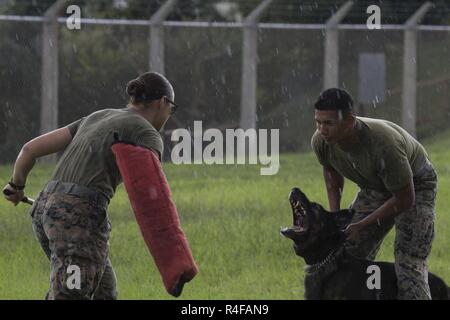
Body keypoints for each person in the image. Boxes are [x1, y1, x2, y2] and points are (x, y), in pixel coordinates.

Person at [3, 71, 180, 299]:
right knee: (71, 293)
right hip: (77, 222)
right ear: (162, 102)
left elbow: (29, 150)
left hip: (45, 210)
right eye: (171, 109)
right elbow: (152, 192)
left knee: (104, 290)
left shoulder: (97, 116)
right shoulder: (146, 132)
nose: (169, 115)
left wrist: (16, 186)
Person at [311, 88, 438, 300]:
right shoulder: (321, 142)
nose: (322, 130)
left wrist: (362, 224)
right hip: (377, 186)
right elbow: (331, 172)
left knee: (408, 265)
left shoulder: (384, 144)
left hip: (416, 184)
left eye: (329, 123)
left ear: (350, 121)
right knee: (344, 254)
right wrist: (336, 218)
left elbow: (406, 199)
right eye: (318, 122)